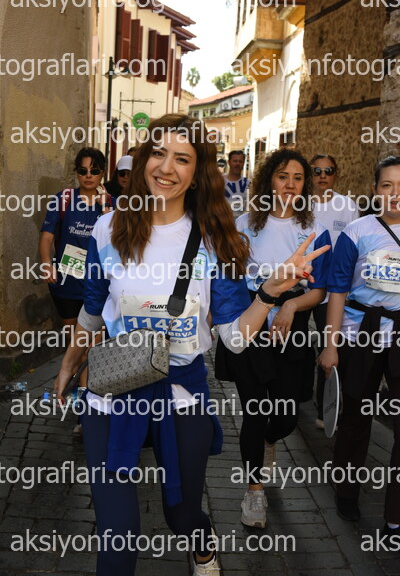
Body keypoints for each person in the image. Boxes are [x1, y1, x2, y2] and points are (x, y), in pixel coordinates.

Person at [54, 115, 330, 576]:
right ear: (143, 160)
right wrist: (70, 363)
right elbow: (92, 309)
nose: (167, 167)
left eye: (182, 158)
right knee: (117, 533)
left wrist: (267, 294)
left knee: (182, 514)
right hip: (111, 389)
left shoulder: (216, 241)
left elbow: (234, 339)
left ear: (198, 171)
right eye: (158, 153)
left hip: (180, 392)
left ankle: (202, 547)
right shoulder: (108, 228)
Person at [216, 148, 332, 529]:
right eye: (283, 176)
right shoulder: (244, 225)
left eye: (298, 178)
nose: (290, 184)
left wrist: (291, 306)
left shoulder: (313, 231)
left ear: (305, 185)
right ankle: (254, 491)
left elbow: (320, 291)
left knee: (285, 417)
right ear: (269, 181)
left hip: (290, 328)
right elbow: (231, 278)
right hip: (252, 323)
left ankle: (270, 441)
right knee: (254, 411)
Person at [319, 156, 400, 544]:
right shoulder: (356, 231)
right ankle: (347, 491)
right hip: (359, 335)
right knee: (355, 417)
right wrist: (330, 346)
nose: (395, 194)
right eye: (387, 186)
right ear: (374, 190)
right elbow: (337, 289)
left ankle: (395, 515)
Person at [39, 147, 112, 333]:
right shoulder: (63, 199)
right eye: (82, 170)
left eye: (94, 171)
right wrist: (46, 264)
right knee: (73, 336)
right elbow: (47, 235)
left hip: (99, 282)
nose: (88, 175)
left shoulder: (113, 204)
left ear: (103, 173)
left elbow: (116, 242)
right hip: (67, 281)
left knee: (95, 340)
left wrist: (105, 207)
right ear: (76, 172)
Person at [310, 154, 359, 427]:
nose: (322, 175)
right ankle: (294, 395)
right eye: (317, 171)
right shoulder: (302, 205)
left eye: (328, 171)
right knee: (293, 345)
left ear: (336, 174)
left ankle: (324, 409)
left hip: (333, 292)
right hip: (302, 288)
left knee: (329, 345)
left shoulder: (347, 207)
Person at [223, 150, 249, 218]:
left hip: (241, 222)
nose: (238, 164)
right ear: (229, 162)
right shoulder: (219, 181)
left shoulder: (248, 183)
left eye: (240, 161)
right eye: (235, 161)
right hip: (223, 221)